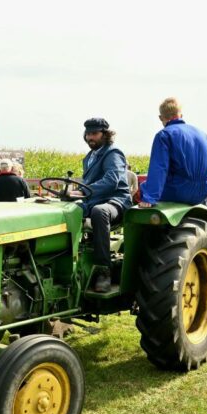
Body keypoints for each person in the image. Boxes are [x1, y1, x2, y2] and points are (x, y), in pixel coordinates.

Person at [71, 117, 132, 292]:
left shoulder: (113, 153)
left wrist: (84, 191)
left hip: (116, 201)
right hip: (94, 200)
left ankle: (104, 271)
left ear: (104, 134)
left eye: (94, 133)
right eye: (88, 133)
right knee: (67, 210)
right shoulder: (89, 157)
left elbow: (112, 180)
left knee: (100, 212)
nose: (90, 137)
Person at [139, 97, 207, 208]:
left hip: (178, 192)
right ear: (181, 115)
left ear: (161, 118)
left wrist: (149, 198)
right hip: (202, 192)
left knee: (144, 186)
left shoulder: (164, 135)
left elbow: (159, 168)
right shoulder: (203, 134)